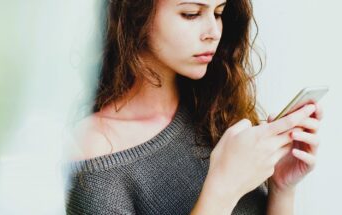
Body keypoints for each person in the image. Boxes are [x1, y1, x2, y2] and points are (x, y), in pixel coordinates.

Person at [64, 0, 323, 214]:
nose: (213, 32)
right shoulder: (95, 150)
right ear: (136, 14)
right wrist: (223, 189)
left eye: (219, 13)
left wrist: (282, 187)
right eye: (191, 14)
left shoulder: (215, 108)